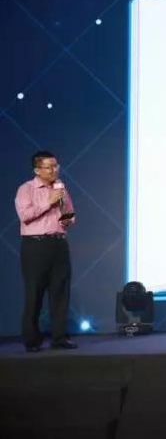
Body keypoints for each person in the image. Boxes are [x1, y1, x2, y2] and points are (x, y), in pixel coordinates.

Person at [15, 151, 77, 352]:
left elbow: (70, 215)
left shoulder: (60, 188)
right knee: (34, 293)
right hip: (36, 246)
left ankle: (59, 338)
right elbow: (25, 215)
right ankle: (32, 340)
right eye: (49, 167)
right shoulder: (26, 189)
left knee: (60, 293)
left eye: (56, 166)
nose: (54, 170)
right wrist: (48, 202)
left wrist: (64, 215)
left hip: (59, 244)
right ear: (37, 170)